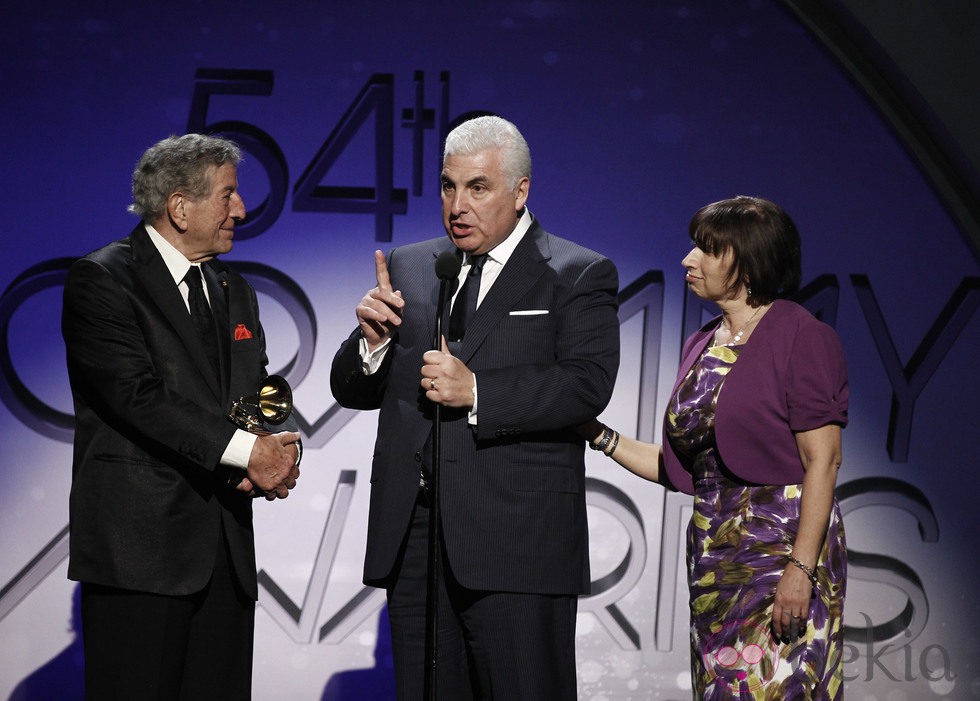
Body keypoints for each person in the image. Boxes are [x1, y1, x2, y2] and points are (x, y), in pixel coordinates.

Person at [330, 115, 620, 699]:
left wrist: (479, 393)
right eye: (448, 186)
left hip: (516, 539)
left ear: (520, 191)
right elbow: (352, 390)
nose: (457, 204)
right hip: (415, 537)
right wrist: (373, 343)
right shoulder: (415, 267)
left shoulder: (575, 272)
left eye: (478, 188)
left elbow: (587, 385)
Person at [62, 133, 302, 700]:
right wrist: (247, 454)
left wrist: (270, 449)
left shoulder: (233, 288)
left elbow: (249, 392)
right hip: (140, 557)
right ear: (179, 206)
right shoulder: (103, 280)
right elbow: (137, 396)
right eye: (228, 195)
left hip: (224, 555)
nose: (240, 209)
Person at [583, 196, 847, 699]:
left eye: (706, 249)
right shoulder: (703, 343)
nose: (688, 259)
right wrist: (596, 434)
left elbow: (824, 461)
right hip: (715, 559)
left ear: (747, 262)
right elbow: (684, 469)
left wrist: (800, 569)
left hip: (780, 556)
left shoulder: (802, 336)